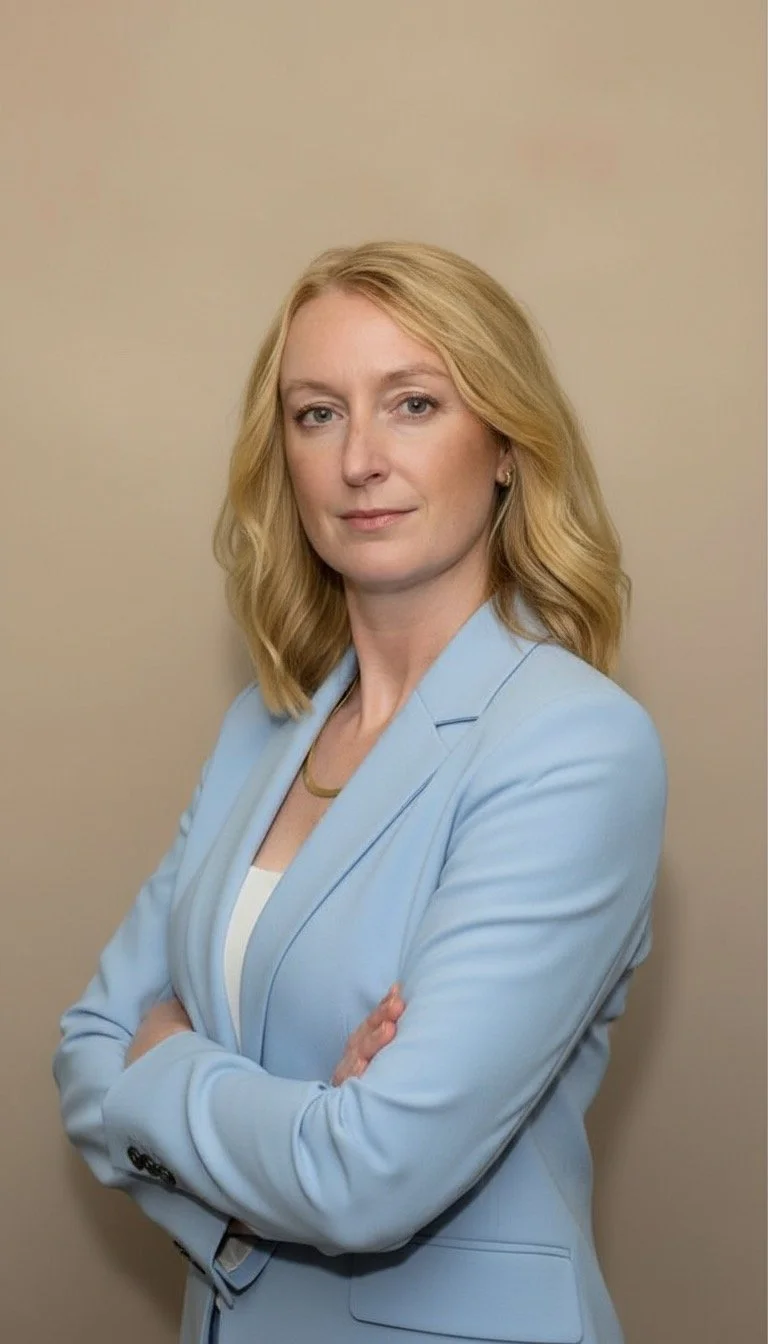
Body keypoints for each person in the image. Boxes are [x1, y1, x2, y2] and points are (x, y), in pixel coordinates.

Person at [53, 240, 667, 1344]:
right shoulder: (266, 726)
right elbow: (88, 1044)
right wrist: (284, 1142)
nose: (359, 461)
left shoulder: (574, 745)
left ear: (508, 449)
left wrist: (167, 1060)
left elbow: (371, 1177)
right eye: (317, 414)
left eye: (415, 404)